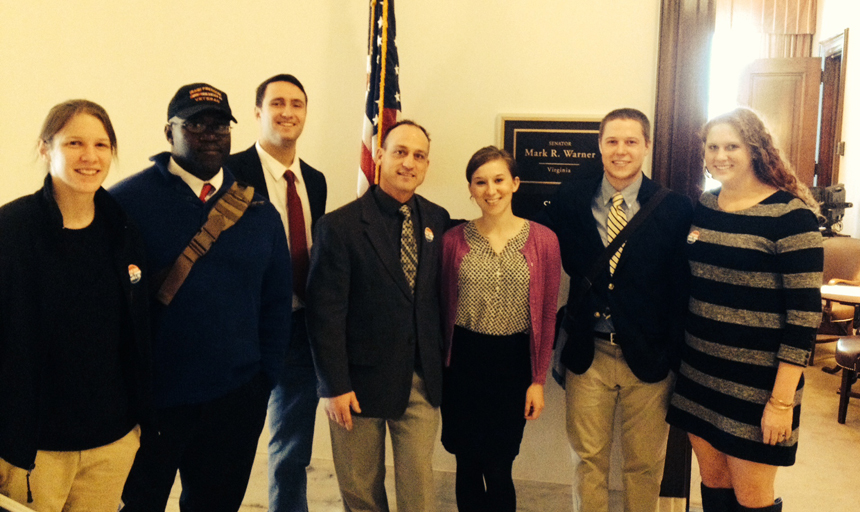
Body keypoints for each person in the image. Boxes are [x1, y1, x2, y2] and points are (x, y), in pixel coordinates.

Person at [111, 83, 292, 512]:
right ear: (168, 131)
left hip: (234, 401)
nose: (210, 133)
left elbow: (276, 301)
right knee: (137, 503)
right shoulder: (125, 204)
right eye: (195, 123)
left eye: (218, 124)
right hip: (153, 401)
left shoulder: (258, 211)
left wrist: (262, 379)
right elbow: (108, 304)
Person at [666, 108, 823, 512]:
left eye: (732, 146)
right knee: (713, 485)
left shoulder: (791, 215)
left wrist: (781, 402)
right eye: (713, 146)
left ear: (755, 150)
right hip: (700, 373)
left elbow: (805, 317)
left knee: (752, 498)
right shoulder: (705, 205)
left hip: (759, 386)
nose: (721, 155)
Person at [538, 108, 693, 512]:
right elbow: (532, 240)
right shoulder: (572, 197)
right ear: (600, 146)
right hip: (589, 355)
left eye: (630, 142)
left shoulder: (675, 208)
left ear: (646, 146)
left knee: (643, 464)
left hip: (651, 357)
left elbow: (682, 288)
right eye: (612, 141)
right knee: (588, 462)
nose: (620, 151)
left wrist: (676, 355)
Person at [0, 100, 151, 512]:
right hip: (33, 451)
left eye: (101, 145)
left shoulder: (122, 229)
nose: (90, 156)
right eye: (74, 143)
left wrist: (134, 427)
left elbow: (136, 332)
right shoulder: (11, 231)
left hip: (111, 444)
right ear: (46, 149)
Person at [306, 120, 450, 512]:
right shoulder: (339, 226)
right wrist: (333, 385)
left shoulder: (437, 219)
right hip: (356, 385)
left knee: (419, 491)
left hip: (420, 381)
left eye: (419, 155)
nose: (409, 163)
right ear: (380, 155)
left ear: (426, 164)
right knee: (361, 491)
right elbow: (325, 314)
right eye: (400, 152)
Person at [439, 146, 561, 512]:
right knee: (466, 462)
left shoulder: (544, 240)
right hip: (462, 363)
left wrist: (537, 379)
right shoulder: (452, 241)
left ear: (515, 183)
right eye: (481, 182)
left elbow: (548, 312)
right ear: (471, 189)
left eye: (498, 180)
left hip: (512, 365)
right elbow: (440, 307)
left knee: (499, 464)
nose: (491, 190)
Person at [226, 73, 327, 512]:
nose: (288, 112)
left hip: (299, 327)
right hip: (244, 329)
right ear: (257, 112)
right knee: (229, 443)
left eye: (297, 104)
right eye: (277, 103)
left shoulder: (316, 180)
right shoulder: (230, 172)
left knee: (292, 446)